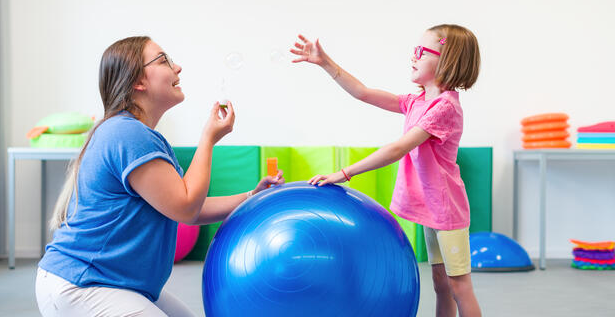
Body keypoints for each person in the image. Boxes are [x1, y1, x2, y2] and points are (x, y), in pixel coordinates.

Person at [35, 36, 284, 316]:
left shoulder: (137, 135)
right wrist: (208, 138)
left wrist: (252, 196)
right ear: (138, 82)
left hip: (117, 283)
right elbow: (186, 206)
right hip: (83, 285)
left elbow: (188, 208)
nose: (178, 68)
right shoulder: (127, 134)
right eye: (164, 60)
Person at [291, 24, 482, 317]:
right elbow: (363, 93)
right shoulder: (418, 101)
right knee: (441, 284)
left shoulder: (445, 107)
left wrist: (344, 173)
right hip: (432, 207)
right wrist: (324, 61)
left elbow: (397, 149)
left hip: (447, 210)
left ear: (446, 61)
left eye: (421, 51)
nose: (413, 57)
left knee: (459, 287)